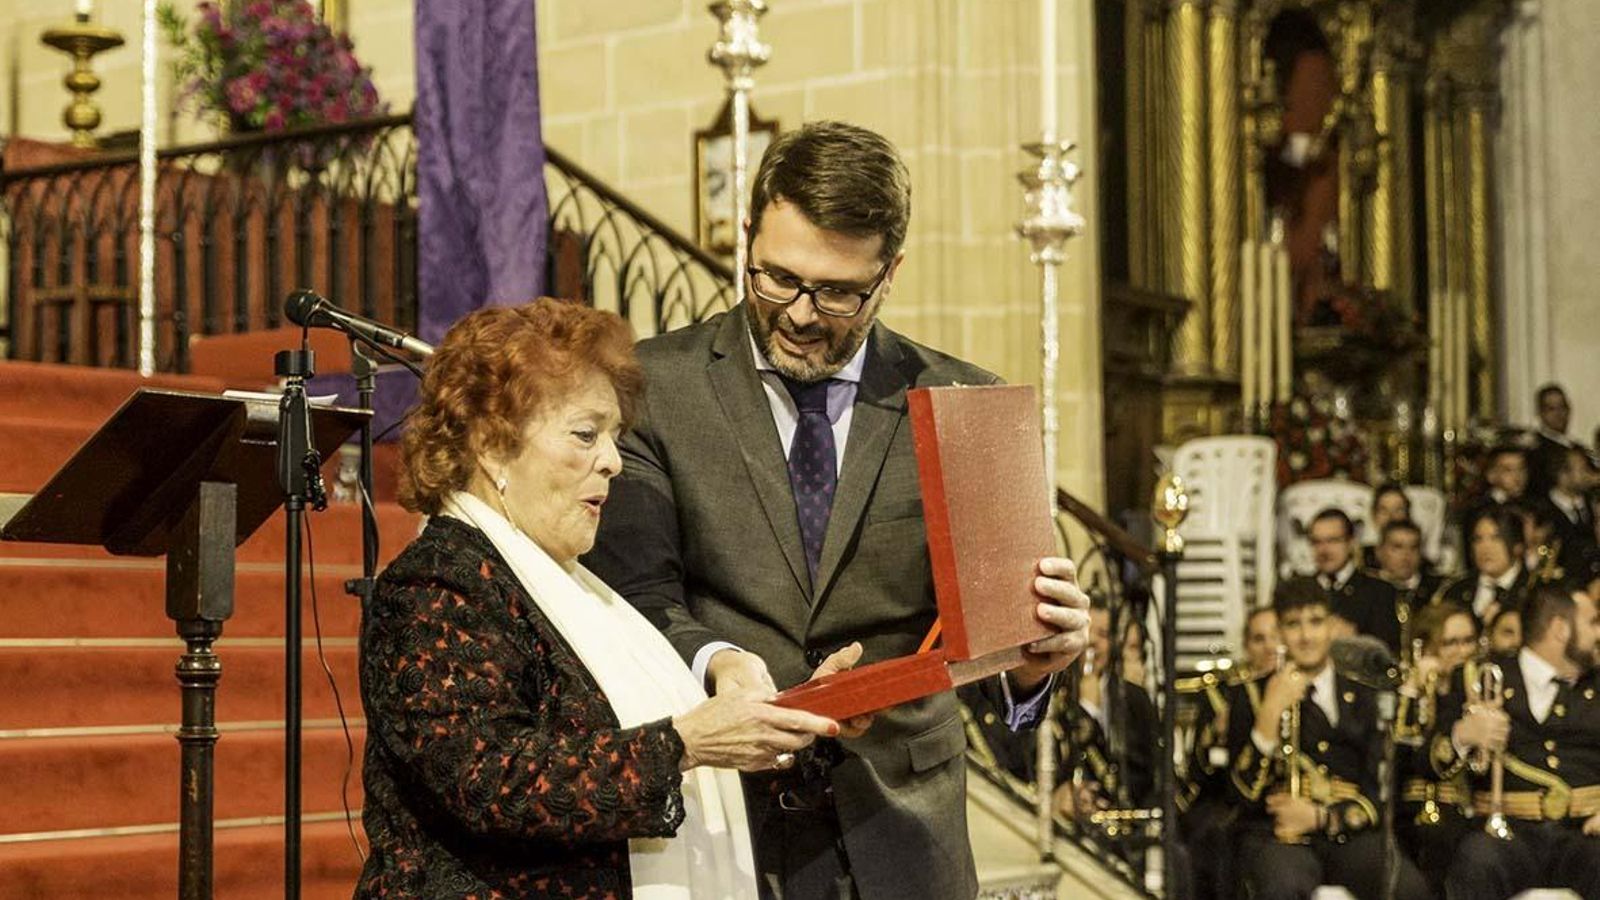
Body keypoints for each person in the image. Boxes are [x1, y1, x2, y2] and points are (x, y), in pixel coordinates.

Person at [584, 121, 1090, 900]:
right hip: (724, 821)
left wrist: (1032, 664)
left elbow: (1002, 657)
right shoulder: (656, 385)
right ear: (747, 236)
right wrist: (720, 663)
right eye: (776, 277)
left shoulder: (966, 401)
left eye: (838, 291)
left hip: (904, 833)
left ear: (891, 274)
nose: (800, 313)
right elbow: (638, 597)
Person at [355, 301, 843, 898]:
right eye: (585, 435)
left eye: (613, 437)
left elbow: (638, 769)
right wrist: (687, 743)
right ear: (490, 444)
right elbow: (489, 782)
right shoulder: (437, 584)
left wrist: (793, 725)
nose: (612, 461)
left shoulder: (582, 592)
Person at [1224, 583, 1432, 900]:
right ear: (1280, 631)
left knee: (1408, 888)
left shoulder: (1366, 694)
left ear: (1332, 626)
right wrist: (1268, 715)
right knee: (1281, 885)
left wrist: (1325, 818)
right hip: (1281, 839)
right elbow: (1238, 795)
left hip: (1349, 834)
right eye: (1294, 624)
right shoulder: (1250, 694)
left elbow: (1380, 790)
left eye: (1316, 621)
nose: (1306, 636)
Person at [1433, 585, 1600, 899]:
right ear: (1560, 630)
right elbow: (1428, 761)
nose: (1598, 633)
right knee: (1476, 859)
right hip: (1508, 834)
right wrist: (1464, 734)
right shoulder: (1478, 678)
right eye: (1592, 622)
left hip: (1583, 834)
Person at [1393, 602, 1478, 894]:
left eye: (1468, 640)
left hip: (1465, 808)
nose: (1462, 650)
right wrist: (1414, 690)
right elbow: (1399, 755)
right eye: (1450, 643)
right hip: (1412, 810)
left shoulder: (1478, 689)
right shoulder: (1412, 691)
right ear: (1429, 648)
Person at [1284, 508, 1404, 652]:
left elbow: (1389, 653)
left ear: (1351, 542)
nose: (1324, 550)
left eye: (1333, 541)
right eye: (1317, 542)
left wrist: (1356, 640)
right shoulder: (1297, 590)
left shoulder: (1379, 592)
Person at [1435, 508, 1534, 624]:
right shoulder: (1456, 592)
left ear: (1517, 545)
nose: (1485, 547)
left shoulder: (1533, 591)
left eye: (1496, 538)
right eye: (1478, 539)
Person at [1372, 519, 1443, 633]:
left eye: (1413, 547)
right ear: (1379, 551)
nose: (1406, 555)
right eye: (1397, 547)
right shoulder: (1367, 590)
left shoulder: (1436, 591)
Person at [1536, 446, 1597, 575]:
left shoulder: (1593, 504)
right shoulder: (1542, 511)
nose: (1588, 474)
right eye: (1582, 469)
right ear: (1562, 475)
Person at [1459, 447, 1530, 549]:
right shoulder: (1478, 510)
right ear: (1491, 475)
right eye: (1508, 470)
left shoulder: (1529, 507)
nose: (1518, 477)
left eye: (1521, 469)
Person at [1362, 483, 1412, 570]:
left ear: (1407, 515)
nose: (1391, 517)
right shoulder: (1361, 559)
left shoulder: (1415, 558)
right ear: (1374, 515)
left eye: (1398, 510)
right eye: (1384, 511)